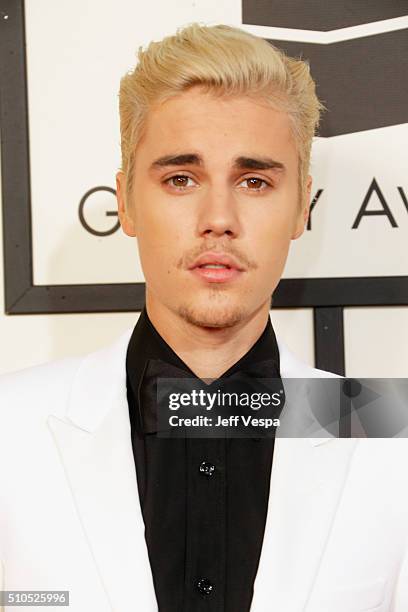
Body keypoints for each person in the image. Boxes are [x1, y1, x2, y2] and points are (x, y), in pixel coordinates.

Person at [0, 23, 408, 612]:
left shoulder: (388, 435)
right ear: (127, 202)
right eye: (181, 179)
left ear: (301, 206)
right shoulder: (11, 430)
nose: (219, 217)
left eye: (254, 180)